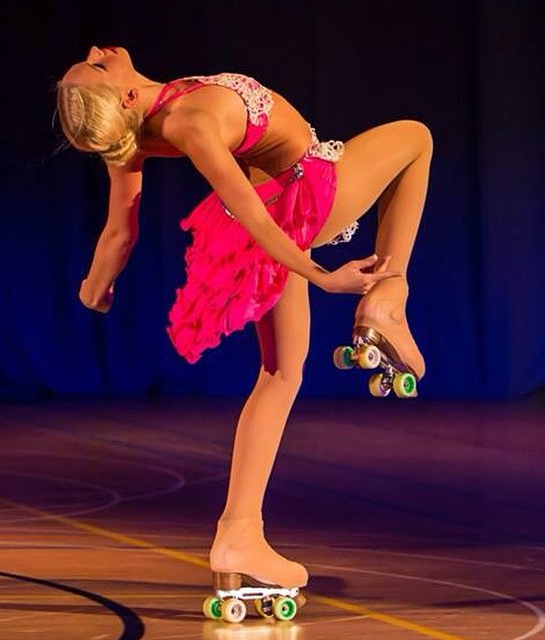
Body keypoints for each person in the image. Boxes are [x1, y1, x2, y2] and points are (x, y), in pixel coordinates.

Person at [57, 46, 432, 596]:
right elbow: (251, 214)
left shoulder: (132, 129)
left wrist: (95, 290)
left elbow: (119, 232)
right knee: (416, 139)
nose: (96, 51)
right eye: (95, 66)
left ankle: (238, 535)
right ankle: (387, 301)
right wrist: (324, 278)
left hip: (275, 218)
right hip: (302, 198)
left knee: (280, 375)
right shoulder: (191, 121)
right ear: (127, 95)